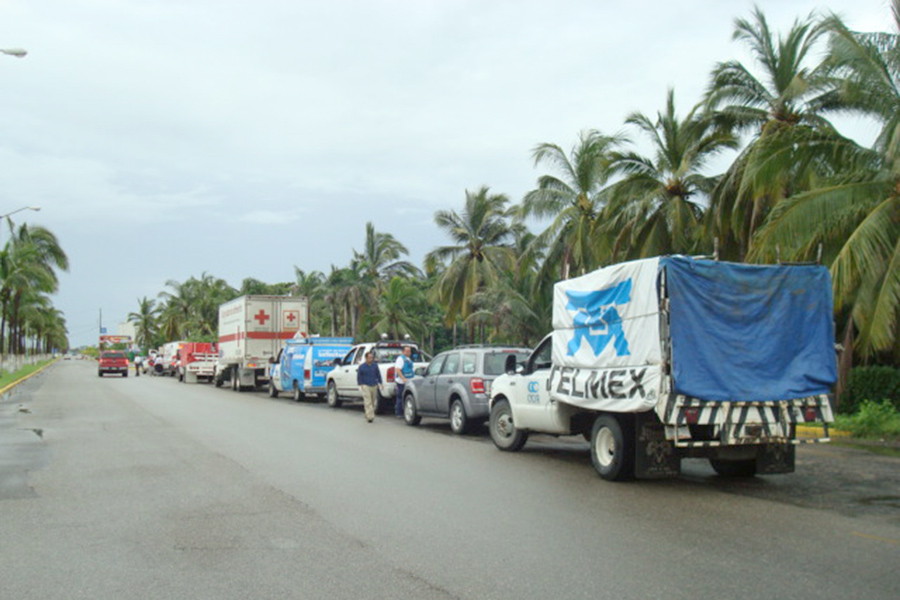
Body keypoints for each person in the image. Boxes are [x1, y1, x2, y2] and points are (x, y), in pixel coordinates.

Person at [357, 351, 382, 423]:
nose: (371, 359)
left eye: (372, 358)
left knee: (373, 401)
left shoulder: (375, 366)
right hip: (365, 385)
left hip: (374, 384)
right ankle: (370, 417)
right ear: (366, 358)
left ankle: (367, 413)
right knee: (368, 401)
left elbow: (378, 374)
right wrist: (361, 384)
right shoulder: (362, 367)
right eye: (369, 358)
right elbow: (359, 376)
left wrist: (380, 383)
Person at [394, 345, 414, 417]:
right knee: (400, 397)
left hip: (409, 380)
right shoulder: (400, 359)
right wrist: (403, 378)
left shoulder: (408, 359)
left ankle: (404, 412)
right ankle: (399, 413)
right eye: (407, 351)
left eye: (409, 351)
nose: (408, 352)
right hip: (401, 382)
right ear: (403, 352)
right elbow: (398, 370)